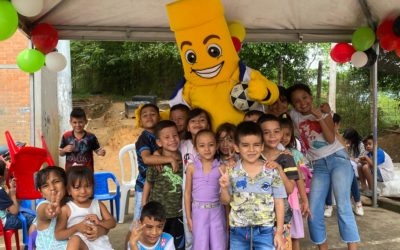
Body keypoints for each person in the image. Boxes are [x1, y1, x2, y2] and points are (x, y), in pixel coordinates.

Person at [286, 83, 359, 250]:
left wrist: (319, 116)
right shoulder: (294, 115)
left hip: (338, 159)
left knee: (342, 204)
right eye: (296, 101)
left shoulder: (325, 113)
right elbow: (278, 111)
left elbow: (331, 139)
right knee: (313, 209)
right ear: (293, 105)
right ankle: (322, 248)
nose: (302, 102)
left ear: (311, 97)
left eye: (304, 97)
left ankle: (353, 248)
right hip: (319, 165)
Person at [219, 121, 286, 250]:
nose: (251, 150)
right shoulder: (231, 172)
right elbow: (225, 201)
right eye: (245, 145)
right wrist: (224, 187)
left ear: (262, 146)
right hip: (238, 231)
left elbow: (279, 202)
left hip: (265, 231)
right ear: (237, 148)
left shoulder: (271, 171)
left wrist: (278, 233)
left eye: (256, 145)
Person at [259, 114, 307, 250]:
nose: (272, 136)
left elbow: (290, 189)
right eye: (266, 132)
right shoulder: (254, 156)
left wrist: (279, 168)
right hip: (258, 218)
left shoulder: (287, 158)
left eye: (276, 131)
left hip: (281, 219)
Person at [35, 166, 111, 250]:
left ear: (66, 184)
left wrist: (100, 230)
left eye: (56, 181)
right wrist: (49, 211)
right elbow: (43, 213)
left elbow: (105, 227)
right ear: (41, 193)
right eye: (45, 186)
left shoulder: (75, 204)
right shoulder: (43, 205)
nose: (52, 188)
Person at [142, 120, 184, 250]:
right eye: (166, 137)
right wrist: (144, 205)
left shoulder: (184, 159)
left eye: (175, 135)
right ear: (159, 142)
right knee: (157, 244)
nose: (172, 139)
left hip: (178, 214)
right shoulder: (157, 162)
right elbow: (148, 183)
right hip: (158, 215)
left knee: (176, 245)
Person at [185, 129, 226, 250]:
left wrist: (228, 219)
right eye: (202, 146)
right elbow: (187, 193)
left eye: (211, 145)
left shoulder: (222, 167)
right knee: (200, 245)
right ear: (196, 148)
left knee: (219, 244)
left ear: (217, 146)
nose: (207, 149)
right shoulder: (191, 167)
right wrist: (188, 217)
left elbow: (226, 194)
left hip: (217, 211)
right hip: (198, 212)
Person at [55, 167, 116, 249]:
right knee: (74, 239)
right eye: (77, 187)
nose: (83, 191)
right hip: (82, 246)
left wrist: (100, 222)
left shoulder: (97, 204)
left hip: (100, 245)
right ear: (69, 190)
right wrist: (77, 227)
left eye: (87, 186)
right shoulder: (66, 209)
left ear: (93, 187)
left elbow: (112, 223)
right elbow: (58, 235)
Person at [180, 108, 212, 250]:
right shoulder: (183, 145)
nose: (197, 123)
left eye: (202, 120)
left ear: (208, 125)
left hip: (209, 199)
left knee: (210, 236)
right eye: (193, 121)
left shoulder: (213, 146)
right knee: (191, 236)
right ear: (187, 126)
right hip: (188, 197)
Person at [279, 115, 311, 250]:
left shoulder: (295, 154)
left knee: (294, 237)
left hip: (292, 202)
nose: (283, 137)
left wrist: (304, 200)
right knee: (280, 237)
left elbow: (300, 179)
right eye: (280, 133)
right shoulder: (268, 154)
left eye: (287, 134)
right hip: (278, 202)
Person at [59, 107, 106, 173]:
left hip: (87, 173)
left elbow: (97, 150)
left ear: (86, 122)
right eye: (74, 122)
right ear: (70, 122)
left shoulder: (91, 137)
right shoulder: (66, 136)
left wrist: (101, 152)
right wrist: (64, 150)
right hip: (70, 174)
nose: (77, 125)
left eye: (80, 122)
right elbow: (61, 153)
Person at [0, 160, 35, 231]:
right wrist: (13, 195)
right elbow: (14, 211)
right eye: (5, 169)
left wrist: (11, 188)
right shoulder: (0, 191)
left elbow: (6, 203)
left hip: (2, 219)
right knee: (33, 219)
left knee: (25, 214)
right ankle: (31, 241)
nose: (8, 170)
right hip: (4, 222)